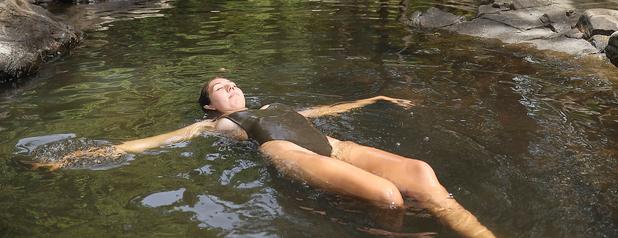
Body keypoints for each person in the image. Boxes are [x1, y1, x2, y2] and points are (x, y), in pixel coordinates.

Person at [33, 77, 496, 238]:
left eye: (231, 82)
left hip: (338, 146)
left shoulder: (277, 107)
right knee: (388, 197)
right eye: (219, 88)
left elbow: (330, 110)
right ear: (211, 105)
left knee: (421, 175)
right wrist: (75, 157)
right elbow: (148, 143)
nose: (229, 87)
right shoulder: (214, 125)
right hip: (287, 151)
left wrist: (377, 98)